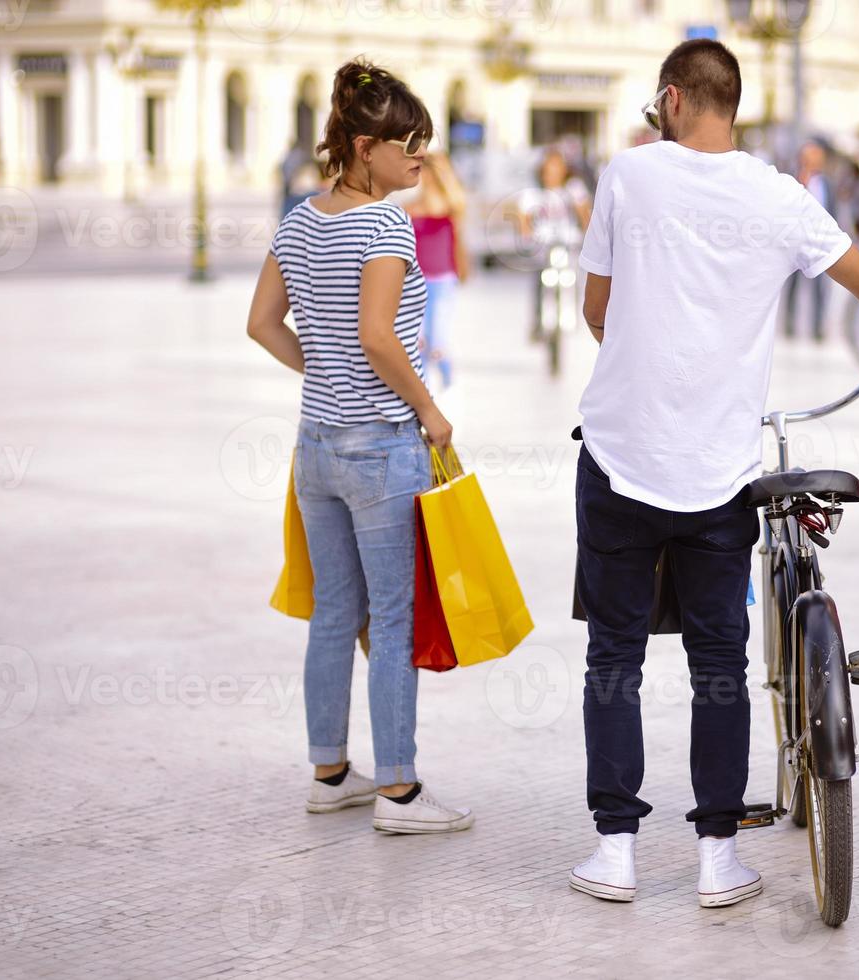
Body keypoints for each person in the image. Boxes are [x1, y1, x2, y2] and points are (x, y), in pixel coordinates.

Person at [570, 38, 859, 909]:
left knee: (614, 657)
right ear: (730, 105)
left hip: (621, 457)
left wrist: (643, 354)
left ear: (669, 99)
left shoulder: (628, 177)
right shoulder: (780, 196)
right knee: (719, 663)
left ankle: (617, 853)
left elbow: (597, 309)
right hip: (719, 472)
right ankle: (716, 859)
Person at [246, 59, 473, 835]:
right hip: (381, 446)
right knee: (394, 618)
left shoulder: (300, 218)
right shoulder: (384, 224)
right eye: (409, 145)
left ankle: (330, 772)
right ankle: (401, 794)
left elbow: (263, 323)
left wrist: (325, 369)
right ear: (366, 145)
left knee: (334, 614)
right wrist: (430, 411)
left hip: (315, 447)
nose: (419, 160)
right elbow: (379, 335)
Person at [407, 152, 469, 389]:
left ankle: (448, 384)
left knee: (438, 341)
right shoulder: (410, 208)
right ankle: (425, 390)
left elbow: (459, 241)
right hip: (415, 281)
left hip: (443, 280)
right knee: (419, 340)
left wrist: (463, 268)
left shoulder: (452, 206)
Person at [518, 148, 591, 339]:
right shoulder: (534, 192)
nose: (553, 172)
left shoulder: (573, 188)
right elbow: (523, 217)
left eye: (557, 167)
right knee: (539, 279)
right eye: (549, 167)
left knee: (572, 277)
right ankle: (538, 320)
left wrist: (589, 234)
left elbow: (585, 214)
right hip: (544, 244)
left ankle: (572, 313)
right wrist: (527, 235)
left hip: (568, 242)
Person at [781, 140, 834, 341]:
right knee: (793, 286)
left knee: (820, 289)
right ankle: (790, 325)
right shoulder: (792, 179)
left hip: (819, 243)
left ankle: (818, 327)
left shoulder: (827, 183)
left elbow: (832, 209)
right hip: (795, 242)